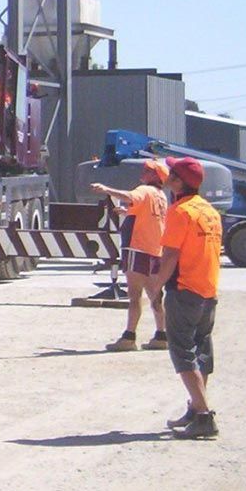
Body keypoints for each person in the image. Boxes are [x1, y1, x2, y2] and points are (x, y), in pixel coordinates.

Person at [148, 156, 223, 440]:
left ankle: (204, 415)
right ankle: (195, 408)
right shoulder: (210, 212)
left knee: (183, 353)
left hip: (184, 290)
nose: (167, 176)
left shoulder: (180, 212)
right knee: (201, 352)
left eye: (172, 173)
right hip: (208, 290)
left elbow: (170, 256)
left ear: (179, 181)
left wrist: (155, 287)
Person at [91, 158, 170, 351]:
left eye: (148, 170)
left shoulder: (144, 191)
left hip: (137, 248)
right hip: (154, 250)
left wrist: (106, 189)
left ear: (155, 175)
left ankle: (129, 336)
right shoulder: (161, 195)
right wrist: (127, 213)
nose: (143, 171)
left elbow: (128, 195)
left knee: (135, 295)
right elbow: (148, 216)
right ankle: (162, 335)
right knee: (155, 295)